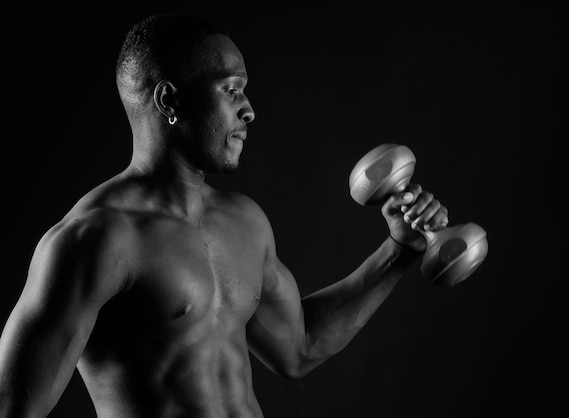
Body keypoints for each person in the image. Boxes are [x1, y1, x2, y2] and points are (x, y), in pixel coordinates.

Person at [0, 13, 449, 418]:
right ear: (169, 102)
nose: (249, 109)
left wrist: (399, 251)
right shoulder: (94, 240)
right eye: (230, 89)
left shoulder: (244, 222)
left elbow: (300, 348)